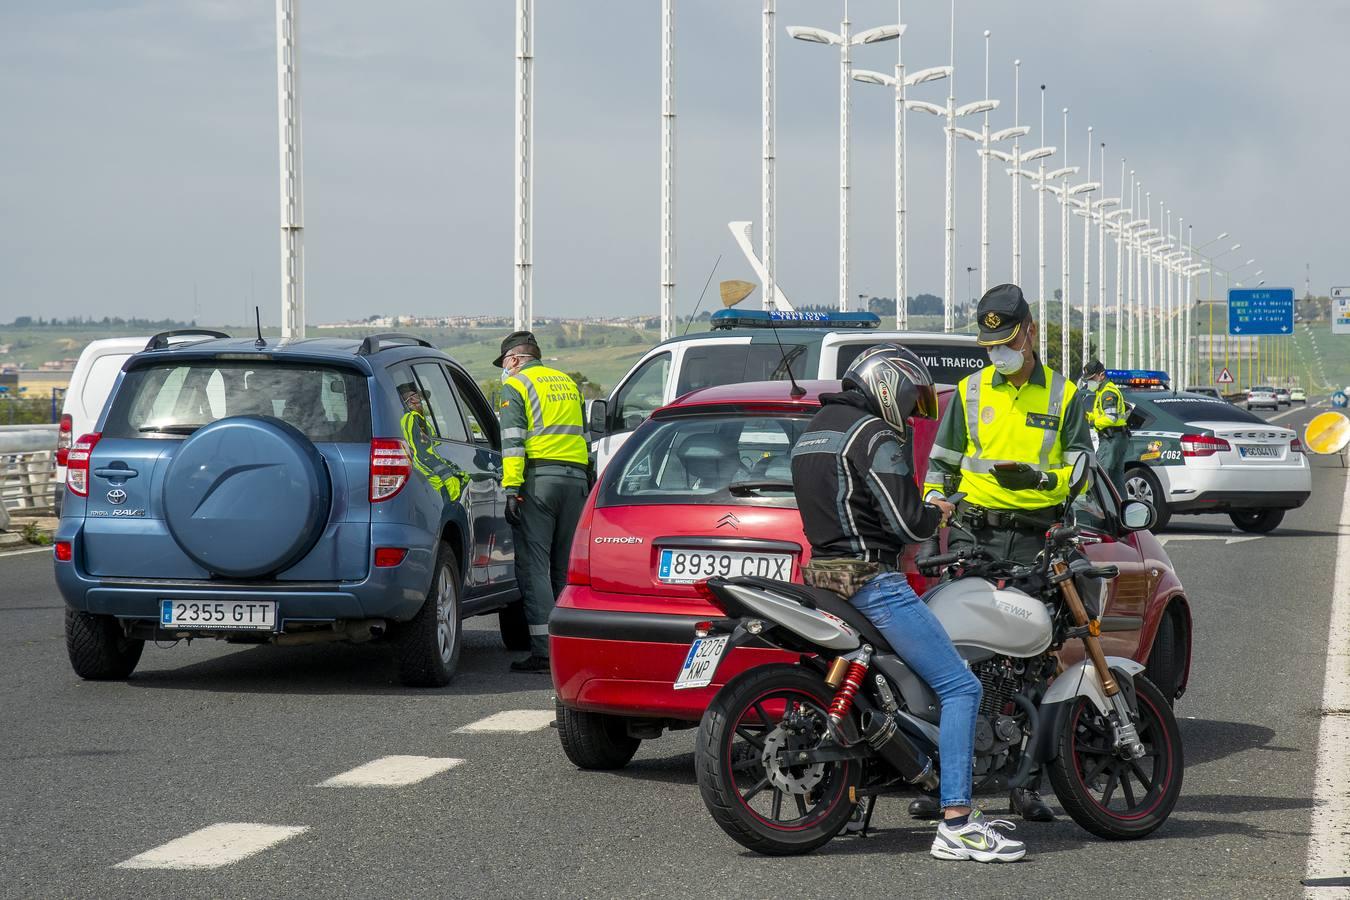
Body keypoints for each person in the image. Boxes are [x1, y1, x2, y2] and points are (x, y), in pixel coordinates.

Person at [791, 344, 1027, 864]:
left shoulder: (813, 431)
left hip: (824, 576)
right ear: (888, 385)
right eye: (911, 397)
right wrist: (938, 511)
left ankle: (861, 793)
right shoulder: (873, 435)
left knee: (886, 687)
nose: (912, 409)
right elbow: (905, 523)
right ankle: (959, 822)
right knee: (961, 686)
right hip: (874, 581)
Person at [919, 283, 1093, 824]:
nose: (998, 350)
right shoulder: (971, 392)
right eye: (991, 341)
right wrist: (934, 504)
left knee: (1034, 662)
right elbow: (940, 466)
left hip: (1037, 537)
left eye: (1007, 339)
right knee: (960, 659)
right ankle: (950, 780)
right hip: (975, 535)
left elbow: (1083, 472)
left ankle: (1025, 786)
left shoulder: (1064, 395)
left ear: (1031, 332)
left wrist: (1049, 480)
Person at [495, 331, 591, 674]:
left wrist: (511, 489)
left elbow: (512, 442)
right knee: (565, 568)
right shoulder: (568, 384)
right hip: (576, 481)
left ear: (515, 359)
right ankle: (571, 646)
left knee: (534, 565)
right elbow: (585, 437)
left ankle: (543, 651)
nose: (504, 370)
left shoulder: (517, 386)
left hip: (538, 481)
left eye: (505, 364)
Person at [399, 386, 468, 503]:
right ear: (410, 401)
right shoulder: (414, 418)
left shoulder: (412, 419)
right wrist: (446, 481)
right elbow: (422, 454)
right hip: (435, 485)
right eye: (418, 398)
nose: (422, 402)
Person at [1082, 359, 1129, 496]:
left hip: (1111, 439)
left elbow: (1111, 417)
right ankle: (1122, 510)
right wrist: (1087, 416)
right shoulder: (1102, 391)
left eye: (1092, 378)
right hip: (1116, 438)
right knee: (1116, 479)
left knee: (1101, 477)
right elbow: (1102, 414)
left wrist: (1093, 423)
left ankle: (1103, 512)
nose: (1089, 382)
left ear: (1101, 375)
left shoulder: (1107, 393)